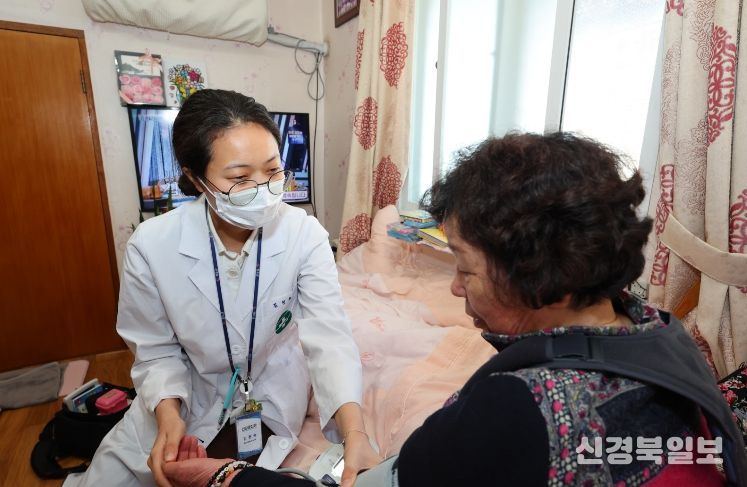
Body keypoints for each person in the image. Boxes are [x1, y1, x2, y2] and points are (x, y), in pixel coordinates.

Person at [160, 132, 746, 486]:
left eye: (463, 267)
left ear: (533, 273)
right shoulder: (662, 334)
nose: (457, 290)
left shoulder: (514, 409)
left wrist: (225, 477)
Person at [63, 89, 380, 487]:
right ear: (196, 178)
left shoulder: (305, 235)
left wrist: (355, 434)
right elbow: (156, 351)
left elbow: (329, 337)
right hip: (190, 388)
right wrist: (168, 416)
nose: (263, 190)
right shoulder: (152, 245)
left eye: (273, 171)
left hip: (270, 385)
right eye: (240, 178)